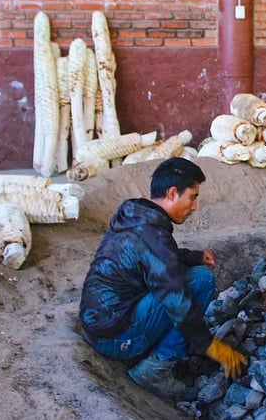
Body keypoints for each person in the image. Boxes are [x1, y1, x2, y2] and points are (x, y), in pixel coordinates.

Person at [78, 157, 247, 399]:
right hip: (114, 336)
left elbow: (154, 257)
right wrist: (212, 346)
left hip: (99, 322)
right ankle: (155, 369)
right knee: (200, 281)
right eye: (193, 197)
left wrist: (193, 256)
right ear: (171, 193)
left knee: (192, 274)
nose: (194, 206)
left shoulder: (136, 217)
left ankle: (157, 347)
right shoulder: (154, 235)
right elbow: (176, 299)